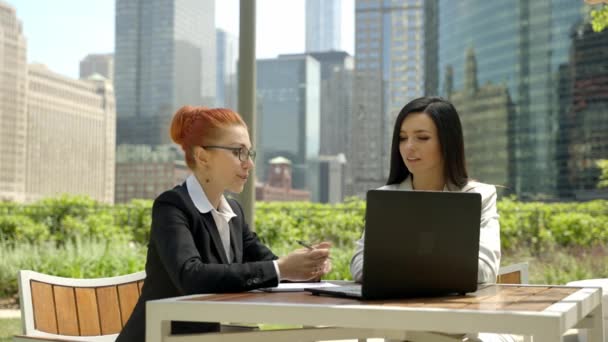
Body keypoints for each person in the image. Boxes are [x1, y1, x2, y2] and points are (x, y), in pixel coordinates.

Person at [117, 106, 331, 342]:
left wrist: (306, 268)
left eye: (250, 153)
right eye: (238, 152)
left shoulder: (233, 213)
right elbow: (191, 276)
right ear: (202, 156)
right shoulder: (172, 206)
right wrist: (282, 268)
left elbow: (265, 265)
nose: (248, 163)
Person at [350, 96, 511, 342]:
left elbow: (484, 270)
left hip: (461, 325)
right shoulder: (385, 198)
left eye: (422, 138)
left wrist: (396, 273)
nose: (409, 147)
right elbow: (361, 265)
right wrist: (441, 272)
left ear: (447, 143)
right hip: (401, 326)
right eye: (403, 138)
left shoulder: (479, 196)